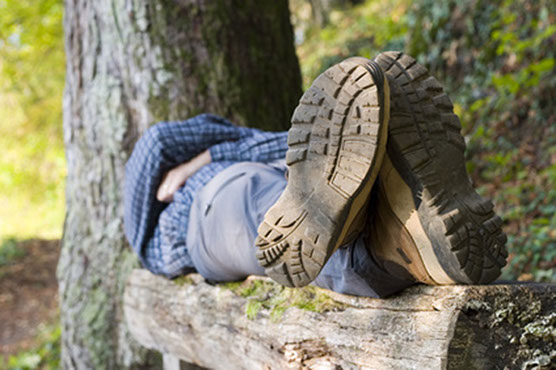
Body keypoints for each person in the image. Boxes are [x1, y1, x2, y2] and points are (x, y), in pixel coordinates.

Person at [124, 52, 508, 298]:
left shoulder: (159, 229)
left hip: (239, 202)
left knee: (295, 219)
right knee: (281, 216)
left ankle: (397, 244)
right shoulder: (150, 234)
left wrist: (202, 158)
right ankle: (404, 230)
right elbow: (158, 141)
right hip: (223, 201)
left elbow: (293, 146)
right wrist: (208, 155)